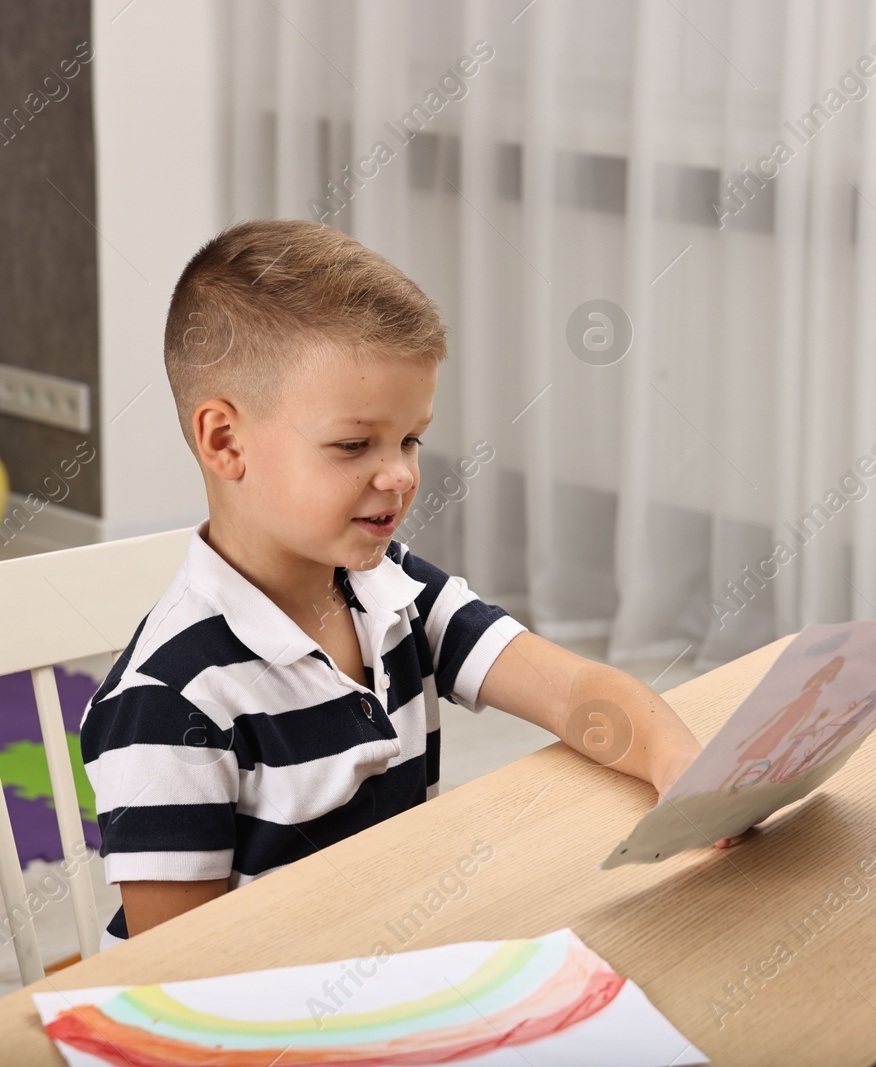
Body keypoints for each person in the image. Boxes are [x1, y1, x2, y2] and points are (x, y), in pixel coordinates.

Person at [79, 219, 728, 947]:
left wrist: (677, 762)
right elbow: (178, 983)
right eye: (354, 444)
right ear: (225, 441)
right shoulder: (167, 703)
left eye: (410, 438)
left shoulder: (396, 590)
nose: (401, 475)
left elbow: (576, 693)